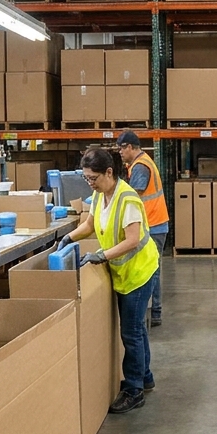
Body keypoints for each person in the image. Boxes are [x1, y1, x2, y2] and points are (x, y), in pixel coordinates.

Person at [58, 148, 160, 414]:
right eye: (86, 178)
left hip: (137, 273)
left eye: (93, 178)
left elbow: (133, 240)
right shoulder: (100, 194)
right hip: (122, 272)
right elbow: (90, 225)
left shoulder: (127, 199)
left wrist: (100, 256)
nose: (89, 183)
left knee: (131, 332)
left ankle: (134, 389)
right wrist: (70, 238)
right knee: (136, 328)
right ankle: (146, 377)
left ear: (109, 173)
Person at [117, 130, 167, 326]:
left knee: (151, 270)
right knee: (152, 269)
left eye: (121, 149)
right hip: (154, 224)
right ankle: (154, 312)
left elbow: (133, 196)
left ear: (130, 147)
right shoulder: (142, 162)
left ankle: (155, 313)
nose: (119, 152)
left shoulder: (140, 167)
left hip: (153, 226)